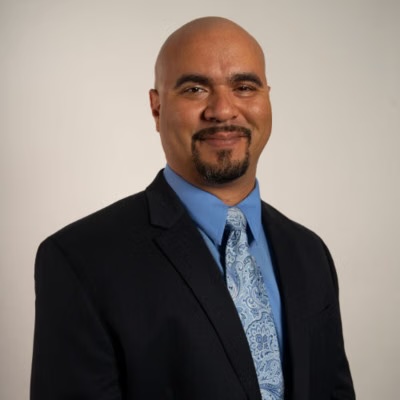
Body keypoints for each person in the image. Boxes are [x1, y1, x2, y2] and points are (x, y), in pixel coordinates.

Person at [30, 16, 355, 400]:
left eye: (244, 87)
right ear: (156, 107)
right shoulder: (81, 260)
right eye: (195, 89)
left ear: (267, 99)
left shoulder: (309, 253)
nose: (223, 110)